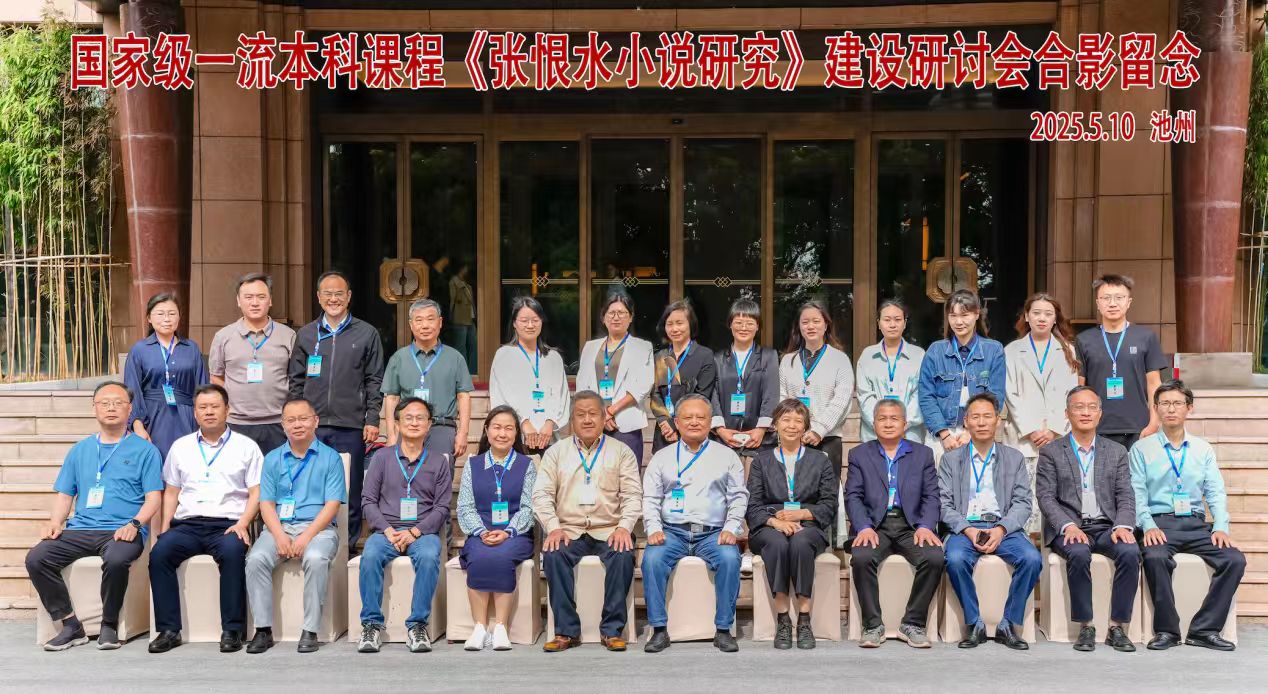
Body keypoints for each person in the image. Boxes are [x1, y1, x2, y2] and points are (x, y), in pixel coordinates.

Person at [25, 381, 163, 651]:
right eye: (105, 403)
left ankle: (108, 624)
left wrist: (135, 524)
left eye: (118, 403)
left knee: (116, 559)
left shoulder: (146, 450)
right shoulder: (80, 450)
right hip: (80, 529)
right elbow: (65, 495)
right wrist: (55, 522)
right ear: (94, 409)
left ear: (129, 409)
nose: (111, 408)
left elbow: (154, 498)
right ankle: (70, 625)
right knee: (37, 558)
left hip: (121, 530)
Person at [148, 384, 263, 654]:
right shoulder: (181, 447)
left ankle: (232, 630)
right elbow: (171, 492)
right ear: (195, 413)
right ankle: (169, 630)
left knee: (233, 553)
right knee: (159, 554)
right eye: (203, 407)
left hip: (228, 524)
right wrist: (164, 529)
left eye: (215, 406)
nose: (209, 412)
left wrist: (244, 523)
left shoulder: (246, 447)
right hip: (187, 525)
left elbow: (257, 492)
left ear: (227, 410)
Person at [1131, 381, 1245, 651]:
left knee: (1234, 560)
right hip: (1159, 523)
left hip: (1195, 524)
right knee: (1155, 557)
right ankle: (1167, 631)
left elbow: (1215, 491)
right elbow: (1136, 493)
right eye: (1165, 403)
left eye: (1177, 403)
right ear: (1156, 408)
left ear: (1189, 408)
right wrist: (1147, 525)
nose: (1171, 409)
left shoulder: (1202, 449)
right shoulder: (1141, 449)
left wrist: (1220, 526)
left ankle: (1204, 630)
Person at [532, 391, 642, 653]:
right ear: (572, 420)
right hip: (568, 530)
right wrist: (553, 527)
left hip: (609, 528)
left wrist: (624, 527)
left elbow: (633, 495)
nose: (587, 419)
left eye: (593, 413)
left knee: (623, 553)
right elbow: (541, 495)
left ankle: (612, 630)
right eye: (580, 415)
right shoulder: (556, 452)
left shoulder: (621, 451)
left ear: (604, 417)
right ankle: (566, 631)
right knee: (554, 553)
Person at [1035, 385, 1138, 653]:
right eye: (1079, 407)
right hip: (1070, 527)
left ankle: (1117, 627)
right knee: (1079, 553)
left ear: (1100, 414)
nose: (1085, 412)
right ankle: (1086, 625)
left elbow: (1125, 494)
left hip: (1106, 526)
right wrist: (1068, 525)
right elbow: (1045, 497)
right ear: (1067, 413)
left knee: (1130, 551)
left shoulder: (1116, 451)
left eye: (1092, 407)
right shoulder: (1051, 451)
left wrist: (1123, 525)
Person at [641, 395, 748, 654]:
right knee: (652, 559)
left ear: (711, 423)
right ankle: (659, 630)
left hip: (713, 533)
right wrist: (653, 528)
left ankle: (723, 630)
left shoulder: (727, 456)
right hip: (672, 532)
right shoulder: (662, 457)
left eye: (701, 417)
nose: (694, 422)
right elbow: (651, 498)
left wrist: (731, 528)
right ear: (676, 422)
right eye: (687, 417)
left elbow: (738, 497)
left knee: (729, 558)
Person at [287, 271, 383, 552]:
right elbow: (296, 381)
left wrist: (372, 418)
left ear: (349, 296)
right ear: (318, 297)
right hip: (312, 426)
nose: (333, 299)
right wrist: (295, 419)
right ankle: (313, 541)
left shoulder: (366, 333)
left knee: (350, 488)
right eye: (327, 294)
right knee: (311, 485)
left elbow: (374, 380)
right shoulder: (306, 334)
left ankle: (347, 546)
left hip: (350, 424)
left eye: (339, 293)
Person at [245, 398, 347, 654]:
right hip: (279, 528)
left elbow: (332, 505)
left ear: (316, 421)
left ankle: (310, 630)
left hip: (319, 529)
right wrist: (280, 536)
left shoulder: (331, 458)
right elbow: (266, 504)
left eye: (303, 418)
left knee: (315, 558)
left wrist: (305, 537)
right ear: (283, 425)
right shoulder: (272, 459)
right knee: (255, 559)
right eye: (291, 420)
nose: (297, 424)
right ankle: (263, 630)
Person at [939, 393, 1040, 650]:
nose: (982, 422)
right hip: (965, 528)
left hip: (1003, 527)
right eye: (975, 417)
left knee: (1031, 558)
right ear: (966, 422)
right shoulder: (950, 460)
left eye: (987, 416)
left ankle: (1008, 624)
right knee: (955, 559)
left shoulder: (1014, 458)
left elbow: (1023, 503)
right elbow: (944, 504)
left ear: (998, 420)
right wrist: (968, 530)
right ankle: (975, 624)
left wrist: (1002, 529)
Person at [845, 399, 944, 649]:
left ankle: (913, 624)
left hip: (911, 526)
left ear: (905, 424)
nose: (888, 423)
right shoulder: (859, 454)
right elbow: (853, 496)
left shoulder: (922, 454)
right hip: (874, 526)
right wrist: (863, 526)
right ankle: (872, 625)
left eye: (894, 418)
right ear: (873, 423)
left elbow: (932, 495)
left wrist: (925, 526)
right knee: (862, 557)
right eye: (882, 418)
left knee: (934, 557)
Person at [356, 398, 452, 654]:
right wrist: (387, 530)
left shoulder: (438, 462)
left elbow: (442, 507)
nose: (414, 422)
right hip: (386, 530)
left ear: (429, 425)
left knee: (430, 555)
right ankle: (371, 625)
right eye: (408, 418)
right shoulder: (381, 458)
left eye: (420, 418)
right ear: (396, 424)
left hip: (422, 532)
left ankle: (417, 625)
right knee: (370, 554)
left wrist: (414, 532)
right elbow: (368, 500)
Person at [746, 398, 837, 650]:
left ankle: (804, 619)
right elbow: (752, 505)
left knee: (801, 542)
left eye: (798, 421)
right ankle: (783, 619)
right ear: (775, 424)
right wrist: (775, 521)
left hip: (808, 526)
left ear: (805, 426)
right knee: (777, 543)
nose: (792, 425)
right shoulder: (761, 460)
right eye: (786, 419)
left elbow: (829, 505)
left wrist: (803, 514)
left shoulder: (820, 460)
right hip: (769, 526)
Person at [457, 405, 537, 652]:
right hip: (480, 531)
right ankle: (480, 628)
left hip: (516, 533)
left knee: (501, 556)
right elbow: (465, 506)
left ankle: (501, 627)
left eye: (509, 428)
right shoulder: (472, 464)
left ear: (516, 433)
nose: (502, 433)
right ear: (486, 430)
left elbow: (528, 508)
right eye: (497, 427)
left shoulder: (527, 465)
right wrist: (481, 531)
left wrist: (508, 532)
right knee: (479, 554)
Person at [1004, 293, 1081, 533]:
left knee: (1054, 494)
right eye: (1036, 313)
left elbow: (1071, 394)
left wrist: (1054, 428)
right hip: (1023, 436)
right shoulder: (1012, 350)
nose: (1042, 318)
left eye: (1048, 314)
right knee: (1022, 494)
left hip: (1056, 435)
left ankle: (1052, 541)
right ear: (1027, 316)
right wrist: (1031, 429)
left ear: (1055, 318)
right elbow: (1010, 394)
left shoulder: (1067, 350)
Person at [1076, 274, 1167, 451]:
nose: (1112, 303)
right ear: (1098, 303)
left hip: (1139, 427)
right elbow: (1079, 387)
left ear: (1129, 302)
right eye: (1106, 298)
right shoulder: (1084, 340)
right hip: (1097, 428)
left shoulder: (1146, 337)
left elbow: (1154, 383)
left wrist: (1154, 422)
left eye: (1119, 297)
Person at [210, 272, 296, 455]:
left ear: (270, 300)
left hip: (278, 423)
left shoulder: (288, 335)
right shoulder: (223, 337)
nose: (255, 303)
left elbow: (296, 378)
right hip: (236, 423)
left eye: (261, 297)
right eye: (248, 297)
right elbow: (216, 377)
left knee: (277, 472)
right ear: (238, 301)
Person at [381, 297, 473, 460]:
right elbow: (392, 398)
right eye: (419, 320)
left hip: (442, 428)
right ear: (411, 324)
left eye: (430, 319)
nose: (425, 325)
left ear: (440, 322)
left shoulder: (455, 357)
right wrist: (391, 434)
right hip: (408, 428)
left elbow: (463, 396)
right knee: (406, 474)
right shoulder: (399, 358)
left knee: (441, 474)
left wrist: (463, 433)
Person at [918, 289, 1006, 461]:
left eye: (964, 315)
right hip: (941, 435)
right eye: (953, 316)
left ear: (976, 314)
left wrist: (970, 431)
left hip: (979, 431)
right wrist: (944, 434)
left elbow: (995, 395)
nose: (958, 322)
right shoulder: (935, 351)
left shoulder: (994, 350)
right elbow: (926, 395)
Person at [124, 292, 210, 460]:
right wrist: (137, 425)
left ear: (179, 317)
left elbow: (203, 387)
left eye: (172, 313)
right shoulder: (139, 349)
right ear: (149, 318)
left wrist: (204, 421)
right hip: (152, 417)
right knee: (155, 464)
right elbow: (132, 389)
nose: (167, 319)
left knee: (187, 463)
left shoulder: (191, 348)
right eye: (160, 314)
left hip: (187, 417)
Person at [576, 291, 655, 466]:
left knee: (627, 476)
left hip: (626, 424)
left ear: (631, 317)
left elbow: (642, 385)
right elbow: (582, 385)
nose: (616, 317)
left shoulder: (642, 347)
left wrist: (610, 412)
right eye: (611, 313)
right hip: (593, 423)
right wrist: (599, 413)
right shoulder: (590, 347)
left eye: (622, 313)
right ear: (603, 317)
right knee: (594, 474)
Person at [777, 300, 854, 476]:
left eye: (816, 321)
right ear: (799, 327)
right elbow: (782, 396)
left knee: (826, 489)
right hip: (794, 438)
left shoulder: (840, 359)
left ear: (826, 325)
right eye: (805, 322)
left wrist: (819, 429)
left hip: (828, 438)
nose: (810, 326)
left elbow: (841, 400)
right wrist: (792, 427)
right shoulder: (787, 360)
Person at [489, 296, 570, 456]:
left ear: (542, 322)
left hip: (549, 438)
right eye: (524, 321)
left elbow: (562, 396)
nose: (530, 325)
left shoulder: (553, 357)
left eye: (535, 320)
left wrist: (550, 423)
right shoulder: (504, 355)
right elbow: (501, 397)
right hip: (515, 439)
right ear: (514, 323)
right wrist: (523, 423)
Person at [711, 298, 779, 454]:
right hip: (723, 439)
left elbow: (772, 393)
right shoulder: (717, 359)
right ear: (730, 324)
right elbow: (712, 394)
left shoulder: (769, 356)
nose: (743, 328)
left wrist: (761, 429)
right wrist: (720, 429)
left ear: (758, 326)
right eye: (738, 322)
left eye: (749, 323)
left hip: (760, 440)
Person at [649, 300, 716, 453]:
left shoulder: (704, 355)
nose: (674, 329)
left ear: (690, 324)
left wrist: (675, 425)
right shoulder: (660, 357)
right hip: (664, 433)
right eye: (669, 324)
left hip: (692, 429)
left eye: (679, 323)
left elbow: (702, 395)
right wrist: (665, 422)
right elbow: (655, 394)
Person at [856, 299, 925, 444]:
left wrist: (903, 423)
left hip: (909, 435)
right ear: (878, 323)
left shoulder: (919, 355)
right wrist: (881, 424)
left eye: (897, 320)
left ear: (904, 323)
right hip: (873, 436)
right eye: (887, 320)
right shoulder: (867, 356)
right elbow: (864, 396)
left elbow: (921, 395)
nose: (892, 324)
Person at [449, 263, 477, 370]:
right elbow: (453, 300)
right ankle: (462, 371)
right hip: (460, 319)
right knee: (461, 347)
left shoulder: (467, 285)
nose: (467, 271)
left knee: (474, 346)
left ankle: (473, 371)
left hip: (470, 319)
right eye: (465, 268)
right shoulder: (454, 282)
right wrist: (451, 316)